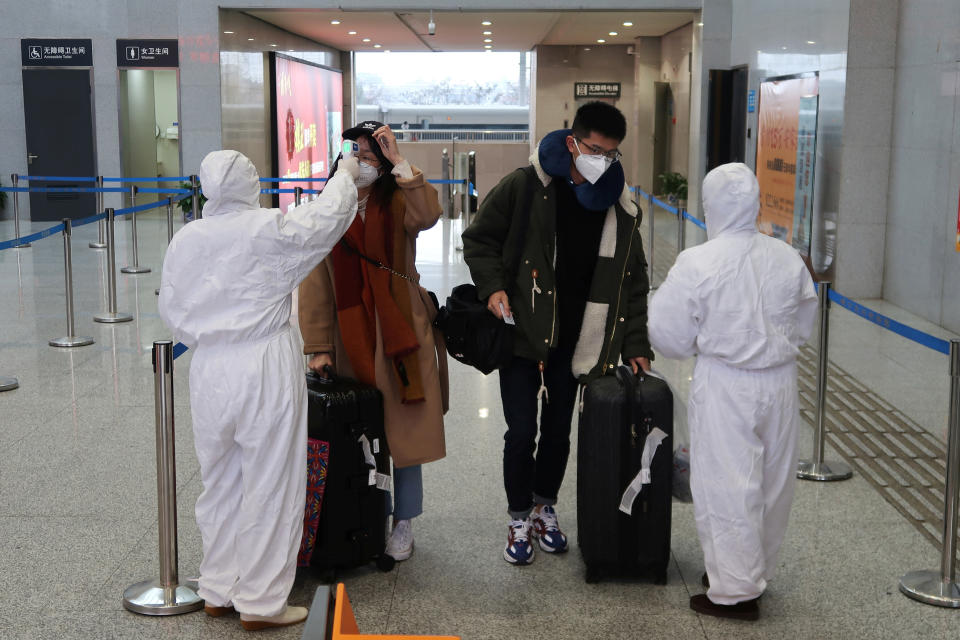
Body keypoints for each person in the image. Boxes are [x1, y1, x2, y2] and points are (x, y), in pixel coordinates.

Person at [158, 150, 359, 631]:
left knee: (220, 480)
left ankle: (218, 588)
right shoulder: (266, 229)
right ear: (251, 185)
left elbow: (172, 309)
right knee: (271, 479)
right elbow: (325, 220)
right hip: (263, 361)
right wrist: (346, 176)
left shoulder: (186, 240)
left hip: (208, 369)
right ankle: (262, 602)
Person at [462, 101, 654, 566]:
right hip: (525, 335)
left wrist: (636, 345)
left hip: (578, 342)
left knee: (558, 435)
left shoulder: (619, 206)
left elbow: (633, 280)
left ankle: (546, 506)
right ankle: (517, 516)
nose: (601, 160)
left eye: (611, 154)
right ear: (573, 141)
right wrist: (492, 288)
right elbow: (479, 239)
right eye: (593, 149)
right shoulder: (527, 186)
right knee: (520, 432)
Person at [647, 163, 818, 621]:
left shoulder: (698, 262)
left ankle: (734, 591)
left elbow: (666, 334)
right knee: (773, 485)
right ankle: (749, 572)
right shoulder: (786, 257)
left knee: (727, 485)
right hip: (781, 382)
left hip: (726, 383)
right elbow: (805, 321)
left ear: (712, 207)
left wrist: (700, 345)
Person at [298, 121, 447, 562]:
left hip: (401, 330)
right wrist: (319, 345)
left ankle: (405, 520)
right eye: (355, 152)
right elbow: (315, 283)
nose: (362, 161)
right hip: (351, 335)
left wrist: (401, 161)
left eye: (371, 154)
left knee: (404, 432)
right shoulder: (328, 208)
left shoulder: (398, 200)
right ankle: (367, 514)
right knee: (361, 430)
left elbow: (430, 214)